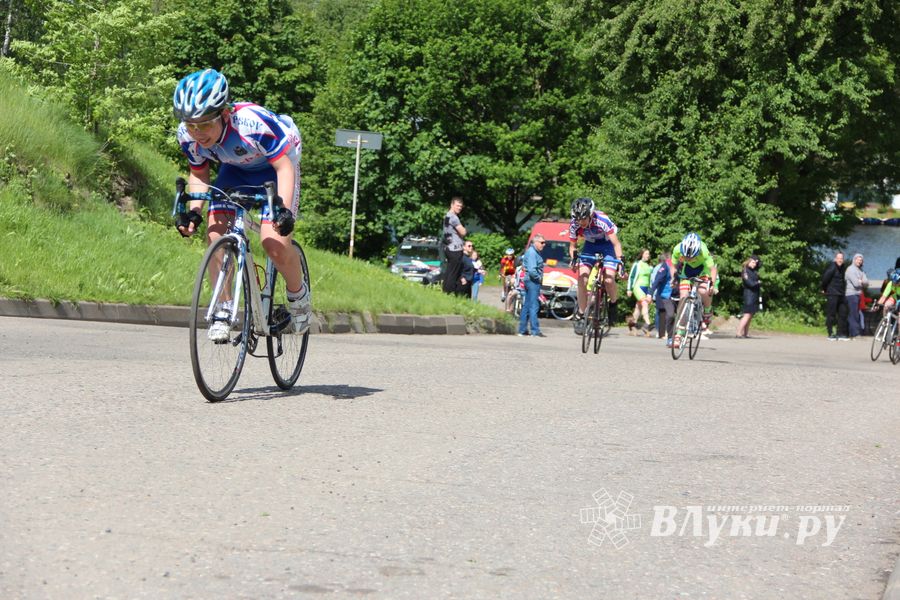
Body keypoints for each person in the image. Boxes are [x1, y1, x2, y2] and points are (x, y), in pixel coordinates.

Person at [172, 69, 308, 340]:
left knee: (275, 243)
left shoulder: (252, 123)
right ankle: (222, 308)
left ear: (224, 114)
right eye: (191, 125)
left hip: (276, 167)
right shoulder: (187, 136)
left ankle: (299, 300)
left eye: (205, 124)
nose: (198, 133)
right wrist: (195, 212)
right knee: (215, 235)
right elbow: (199, 173)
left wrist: (283, 211)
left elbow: (284, 167)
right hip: (235, 171)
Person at [567, 198, 624, 336]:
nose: (581, 222)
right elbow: (573, 246)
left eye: (584, 219)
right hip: (590, 246)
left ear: (591, 214)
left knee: (609, 279)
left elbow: (616, 244)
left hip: (608, 245)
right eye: (578, 219)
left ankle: (613, 304)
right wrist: (574, 259)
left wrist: (621, 263)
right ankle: (581, 313)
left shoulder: (602, 220)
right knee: (582, 278)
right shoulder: (574, 224)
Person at [669, 232, 718, 349]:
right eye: (686, 257)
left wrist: (712, 284)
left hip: (703, 270)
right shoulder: (677, 249)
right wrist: (672, 278)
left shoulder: (703, 250)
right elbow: (673, 266)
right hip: (688, 271)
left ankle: (707, 310)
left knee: (703, 291)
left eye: (691, 257)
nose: (689, 258)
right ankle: (679, 334)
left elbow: (712, 269)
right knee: (683, 297)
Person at [519, 235, 546, 337]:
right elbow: (531, 270)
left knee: (527, 305)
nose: (544, 244)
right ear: (535, 242)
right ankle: (535, 331)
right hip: (532, 281)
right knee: (534, 306)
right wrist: (539, 278)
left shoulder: (534, 252)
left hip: (530, 281)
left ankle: (522, 330)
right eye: (542, 242)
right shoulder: (532, 253)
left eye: (544, 242)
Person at [441, 197, 467, 295]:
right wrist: (464, 230)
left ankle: (445, 292)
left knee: (449, 271)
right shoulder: (454, 217)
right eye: (457, 205)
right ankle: (449, 293)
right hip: (455, 248)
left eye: (461, 206)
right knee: (454, 273)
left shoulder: (447, 216)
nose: (459, 208)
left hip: (448, 246)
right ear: (452, 205)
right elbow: (463, 232)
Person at [821, 251, 848, 340]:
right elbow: (825, 279)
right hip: (832, 293)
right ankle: (830, 333)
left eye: (841, 258)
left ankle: (840, 333)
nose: (840, 260)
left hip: (841, 293)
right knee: (831, 314)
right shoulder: (832, 268)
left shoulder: (843, 267)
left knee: (842, 313)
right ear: (835, 259)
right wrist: (824, 289)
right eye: (838, 258)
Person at [649, 252, 675, 346]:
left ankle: (678, 335)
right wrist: (650, 293)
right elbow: (657, 280)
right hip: (665, 294)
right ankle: (666, 336)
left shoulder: (681, 265)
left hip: (677, 294)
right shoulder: (666, 266)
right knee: (667, 314)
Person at [627, 248, 654, 336]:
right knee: (644, 303)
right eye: (646, 254)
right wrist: (629, 289)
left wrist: (651, 292)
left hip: (646, 288)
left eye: (648, 254)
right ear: (642, 254)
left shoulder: (650, 266)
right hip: (637, 287)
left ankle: (632, 326)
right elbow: (631, 276)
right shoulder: (637, 264)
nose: (648, 256)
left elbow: (651, 280)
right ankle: (648, 324)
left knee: (638, 307)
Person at [736, 255, 761, 338]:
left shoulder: (753, 271)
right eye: (753, 262)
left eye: (755, 263)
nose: (754, 264)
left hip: (754, 295)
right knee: (747, 315)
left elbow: (760, 264)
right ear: (748, 261)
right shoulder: (745, 271)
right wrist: (757, 283)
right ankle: (738, 333)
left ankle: (745, 333)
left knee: (750, 315)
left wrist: (757, 260)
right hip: (749, 295)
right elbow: (749, 283)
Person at [845, 253, 868, 339]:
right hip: (851, 294)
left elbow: (867, 282)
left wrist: (861, 281)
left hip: (858, 294)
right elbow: (855, 283)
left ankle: (853, 332)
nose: (860, 261)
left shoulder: (860, 270)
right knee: (853, 313)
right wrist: (861, 281)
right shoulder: (850, 270)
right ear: (854, 260)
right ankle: (854, 333)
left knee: (857, 314)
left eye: (861, 260)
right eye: (858, 259)